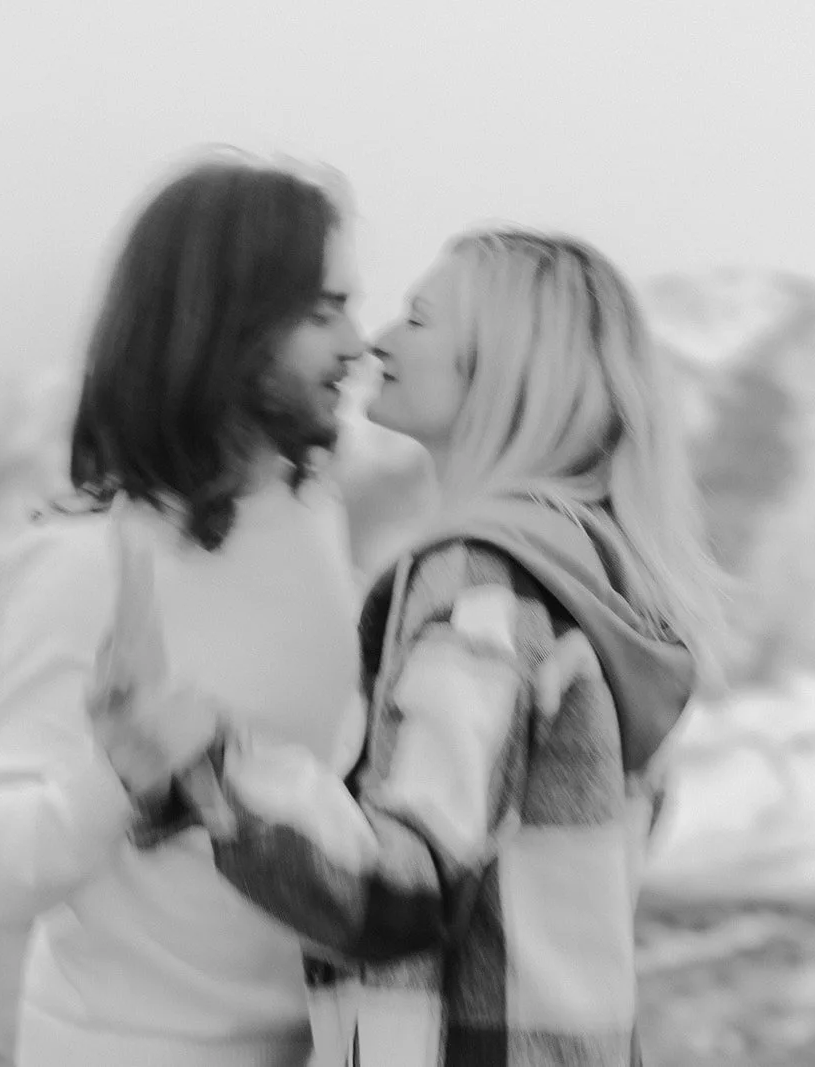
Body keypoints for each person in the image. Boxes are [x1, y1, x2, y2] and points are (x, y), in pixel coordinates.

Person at [109, 229, 730, 1066]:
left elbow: (405, 885)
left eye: (419, 317)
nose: (379, 341)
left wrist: (209, 759)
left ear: (502, 365)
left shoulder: (480, 580)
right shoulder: (596, 580)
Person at [0, 151, 369, 1067]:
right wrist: (117, 781)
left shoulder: (318, 522)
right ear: (229, 325)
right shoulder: (92, 563)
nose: (355, 344)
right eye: (322, 312)